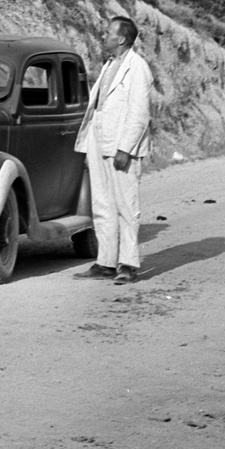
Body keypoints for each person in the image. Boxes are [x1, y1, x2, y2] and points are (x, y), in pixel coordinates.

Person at [74, 15, 153, 284]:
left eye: (108, 32)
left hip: (121, 146)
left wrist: (126, 149)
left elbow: (139, 113)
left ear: (121, 38)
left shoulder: (137, 67)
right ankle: (106, 262)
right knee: (102, 204)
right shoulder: (110, 65)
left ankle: (129, 264)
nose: (103, 35)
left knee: (126, 206)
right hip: (99, 141)